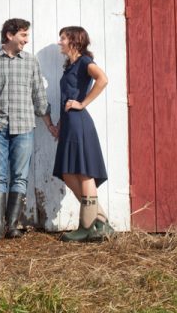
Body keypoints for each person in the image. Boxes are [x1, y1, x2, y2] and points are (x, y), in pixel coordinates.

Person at [0, 18, 57, 240]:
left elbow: (39, 95)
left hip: (24, 127)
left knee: (20, 176)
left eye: (27, 35)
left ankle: (12, 226)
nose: (26, 40)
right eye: (23, 35)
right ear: (10, 35)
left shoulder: (31, 62)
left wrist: (49, 123)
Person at [50, 26, 115, 242]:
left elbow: (103, 79)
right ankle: (101, 221)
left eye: (63, 38)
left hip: (79, 123)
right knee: (68, 174)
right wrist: (59, 123)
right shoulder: (70, 66)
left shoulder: (85, 62)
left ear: (74, 41)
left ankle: (86, 226)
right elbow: (66, 96)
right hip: (69, 124)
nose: (60, 42)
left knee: (83, 172)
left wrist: (82, 103)